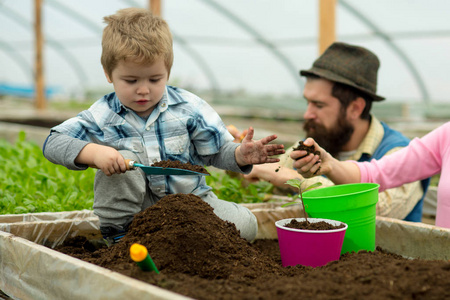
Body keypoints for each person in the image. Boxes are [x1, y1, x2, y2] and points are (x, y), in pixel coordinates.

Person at [42, 8, 285, 244]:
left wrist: (240, 155)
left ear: (167, 71)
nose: (143, 89)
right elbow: (53, 141)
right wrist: (95, 153)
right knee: (122, 158)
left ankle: (175, 243)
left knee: (246, 224)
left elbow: (215, 152)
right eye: (131, 80)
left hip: (192, 206)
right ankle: (120, 240)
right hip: (134, 215)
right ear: (108, 74)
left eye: (154, 79)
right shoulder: (102, 115)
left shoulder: (188, 107)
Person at [235, 42, 430, 222]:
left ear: (355, 108)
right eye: (307, 102)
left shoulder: (402, 154)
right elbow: (260, 181)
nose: (308, 113)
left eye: (319, 105)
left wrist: (295, 180)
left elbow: (380, 211)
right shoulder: (318, 141)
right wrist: (238, 157)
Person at [291, 121, 450, 228]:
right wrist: (331, 165)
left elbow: (383, 208)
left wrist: (290, 178)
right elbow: (375, 174)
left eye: (319, 104)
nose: (307, 114)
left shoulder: (394, 143)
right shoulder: (446, 135)